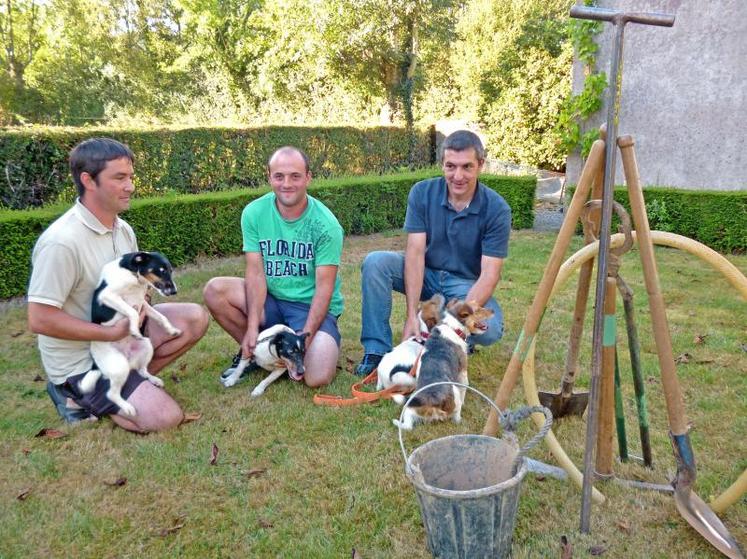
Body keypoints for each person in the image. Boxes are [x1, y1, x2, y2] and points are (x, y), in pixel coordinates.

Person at [27, 138, 209, 433]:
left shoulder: (123, 230)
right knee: (165, 417)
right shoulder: (61, 242)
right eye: (119, 178)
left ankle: (128, 381)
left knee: (194, 318)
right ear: (88, 180)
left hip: (121, 335)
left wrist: (142, 296)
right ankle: (72, 393)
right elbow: (40, 318)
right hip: (82, 357)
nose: (130, 187)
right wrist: (109, 332)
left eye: (131, 177)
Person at [355, 130, 511, 376]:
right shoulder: (422, 193)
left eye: (467, 167)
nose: (458, 176)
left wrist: (457, 323)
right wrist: (410, 317)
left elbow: (490, 274)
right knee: (376, 263)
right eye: (450, 166)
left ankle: (459, 341)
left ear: (480, 165)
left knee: (491, 328)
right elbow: (415, 254)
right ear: (442, 165)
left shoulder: (497, 209)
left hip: (463, 285)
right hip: (426, 273)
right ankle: (376, 350)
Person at [203, 146, 343, 388]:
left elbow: (324, 288)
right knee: (215, 290)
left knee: (316, 377)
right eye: (279, 176)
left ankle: (289, 349)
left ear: (308, 177)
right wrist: (250, 328)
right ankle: (257, 352)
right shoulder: (254, 213)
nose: (286, 184)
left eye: (295, 176)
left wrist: (304, 340)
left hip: (308, 305)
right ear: (269, 176)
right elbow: (255, 272)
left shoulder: (326, 225)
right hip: (272, 298)